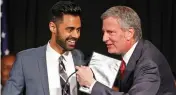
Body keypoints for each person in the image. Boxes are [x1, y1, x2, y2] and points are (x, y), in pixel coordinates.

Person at [76, 6, 176, 95]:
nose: (104, 38)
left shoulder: (148, 64)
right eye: (104, 32)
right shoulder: (139, 49)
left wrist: (92, 84)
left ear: (129, 33)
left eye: (110, 32)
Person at [2, 1, 86, 95]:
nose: (76, 35)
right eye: (70, 29)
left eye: (78, 30)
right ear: (53, 27)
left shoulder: (79, 57)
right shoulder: (26, 60)